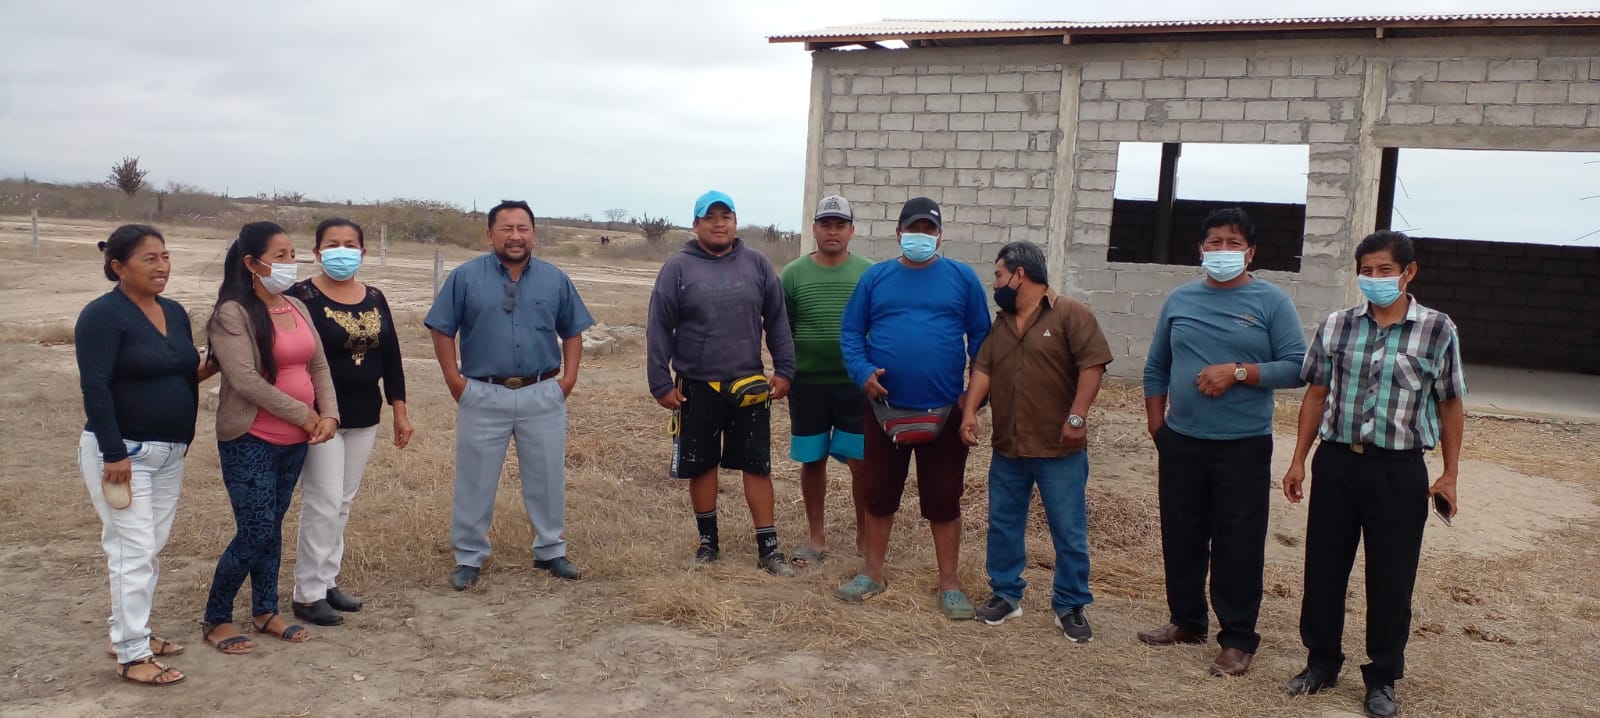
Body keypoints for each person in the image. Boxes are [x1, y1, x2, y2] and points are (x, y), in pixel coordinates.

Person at [1281, 231, 1466, 718]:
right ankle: (1320, 663)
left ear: (1409, 272)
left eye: (1385, 270)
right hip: (1337, 462)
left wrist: (1450, 474)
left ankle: (1382, 677)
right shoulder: (1337, 325)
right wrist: (1299, 459)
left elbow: (1450, 403)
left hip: (1399, 470)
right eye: (1367, 271)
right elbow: (1316, 394)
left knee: (1391, 578)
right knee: (1324, 569)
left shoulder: (1437, 329)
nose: (1375, 278)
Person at [1139, 208, 1307, 677]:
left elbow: (1298, 366)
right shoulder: (1180, 300)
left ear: (1250, 253)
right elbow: (1156, 367)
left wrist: (1239, 372)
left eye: (1233, 243)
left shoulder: (1271, 302)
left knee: (1238, 543)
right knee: (1182, 535)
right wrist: (1157, 427)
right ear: (1201, 249)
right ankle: (1186, 620)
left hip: (1242, 444)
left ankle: (1237, 639)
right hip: (1182, 440)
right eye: (1214, 242)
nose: (1222, 250)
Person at [835, 196, 991, 619]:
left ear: (939, 236)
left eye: (928, 229)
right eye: (913, 229)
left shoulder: (961, 278)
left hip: (945, 410)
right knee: (878, 493)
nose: (920, 236)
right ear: (898, 233)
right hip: (883, 407)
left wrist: (973, 396)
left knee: (944, 497)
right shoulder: (876, 278)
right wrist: (862, 372)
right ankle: (872, 572)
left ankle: (950, 583)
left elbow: (983, 339)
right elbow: (851, 333)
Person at [75, 225, 218, 686]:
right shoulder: (102, 316)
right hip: (124, 454)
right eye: (149, 259)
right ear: (119, 267)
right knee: (131, 551)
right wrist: (113, 452)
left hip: (169, 453)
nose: (162, 267)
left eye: (166, 257)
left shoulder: (173, 312)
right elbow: (95, 386)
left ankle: (130, 631)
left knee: (147, 548)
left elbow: (179, 373)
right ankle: (132, 653)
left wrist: (215, 366)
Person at [426, 200, 593, 590]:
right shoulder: (465, 278)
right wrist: (455, 381)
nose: (515, 236)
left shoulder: (555, 279)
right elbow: (441, 328)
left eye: (523, 228)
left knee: (547, 476)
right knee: (475, 478)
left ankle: (550, 549)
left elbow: (573, 330)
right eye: (506, 229)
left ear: (533, 234)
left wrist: (567, 380)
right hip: (483, 393)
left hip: (542, 393)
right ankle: (469, 555)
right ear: (490, 235)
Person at [961, 241, 1113, 641]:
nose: (995, 284)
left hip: (1059, 448)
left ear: (1019, 274)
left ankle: (1070, 604)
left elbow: (1093, 365)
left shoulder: (1069, 314)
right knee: (1003, 524)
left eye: (998, 275)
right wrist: (970, 411)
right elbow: (983, 369)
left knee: (1068, 530)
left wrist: (1077, 416)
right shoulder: (1002, 324)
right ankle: (1006, 594)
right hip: (1009, 446)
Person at [202, 221, 340, 653]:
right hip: (251, 437)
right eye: (279, 256)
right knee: (256, 528)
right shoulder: (232, 314)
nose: (289, 263)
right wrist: (304, 414)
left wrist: (329, 414)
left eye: (292, 254)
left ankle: (265, 610)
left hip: (296, 440)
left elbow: (318, 365)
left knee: (273, 525)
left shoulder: (294, 305)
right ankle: (217, 616)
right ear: (251, 263)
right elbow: (244, 379)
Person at [646, 190, 798, 576]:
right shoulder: (677, 268)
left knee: (757, 466)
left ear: (735, 222)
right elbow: (659, 326)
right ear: (695, 224)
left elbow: (777, 320)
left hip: (748, 386)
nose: (718, 224)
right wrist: (660, 382)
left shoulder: (757, 264)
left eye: (725, 216)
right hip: (696, 386)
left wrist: (784, 369)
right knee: (701, 466)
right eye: (710, 217)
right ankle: (708, 544)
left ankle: (768, 549)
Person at [287, 218, 412, 626]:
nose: (341, 251)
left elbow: (390, 356)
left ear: (363, 252)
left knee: (341, 502)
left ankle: (327, 581)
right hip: (319, 416)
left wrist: (399, 409)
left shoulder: (375, 297)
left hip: (364, 414)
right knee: (322, 502)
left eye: (349, 244)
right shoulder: (299, 297)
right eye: (332, 244)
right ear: (317, 252)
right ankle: (307, 594)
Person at [779, 195, 873, 566]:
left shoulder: (869, 273)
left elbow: (878, 325)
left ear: (852, 230)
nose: (832, 231)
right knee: (812, 459)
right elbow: (782, 329)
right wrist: (784, 371)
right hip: (807, 384)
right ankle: (816, 537)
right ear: (815, 228)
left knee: (860, 462)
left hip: (855, 384)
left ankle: (865, 536)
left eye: (840, 225)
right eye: (825, 224)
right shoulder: (793, 274)